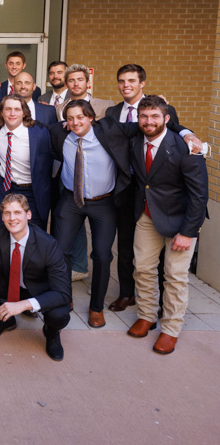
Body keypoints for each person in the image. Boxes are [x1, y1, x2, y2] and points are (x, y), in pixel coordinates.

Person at [127, 96, 208, 355]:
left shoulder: (187, 147)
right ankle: (147, 315)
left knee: (174, 276)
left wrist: (188, 232)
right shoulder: (134, 140)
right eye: (143, 116)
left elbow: (199, 194)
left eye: (154, 117)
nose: (148, 122)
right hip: (147, 216)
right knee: (142, 268)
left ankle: (170, 328)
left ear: (167, 119)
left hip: (179, 221)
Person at [105, 64, 180, 311]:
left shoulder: (160, 109)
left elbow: (177, 132)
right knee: (126, 246)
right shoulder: (112, 112)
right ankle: (127, 293)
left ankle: (155, 297)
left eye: (131, 81)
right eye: (121, 81)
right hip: (126, 191)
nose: (126, 85)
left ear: (142, 83)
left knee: (155, 249)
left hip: (156, 192)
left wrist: (189, 133)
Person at [48, 100, 130, 327]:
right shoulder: (59, 132)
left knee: (103, 255)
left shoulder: (110, 129)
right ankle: (65, 298)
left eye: (80, 117)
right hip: (71, 200)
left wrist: (185, 133)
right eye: (70, 118)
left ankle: (96, 307)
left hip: (103, 203)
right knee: (61, 251)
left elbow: (144, 126)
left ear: (91, 117)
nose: (75, 122)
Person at [0, 194, 71, 361]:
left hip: (39, 290)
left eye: (17, 212)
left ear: (28, 215)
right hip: (9, 283)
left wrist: (22, 305)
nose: (12, 218)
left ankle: (51, 333)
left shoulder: (48, 244)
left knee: (59, 315)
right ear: (2, 217)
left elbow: (63, 293)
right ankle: (4, 319)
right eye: (7, 213)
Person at [0, 95, 53, 229]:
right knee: (7, 229)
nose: (12, 113)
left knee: (34, 233)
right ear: (1, 112)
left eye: (17, 109)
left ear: (24, 113)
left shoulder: (39, 133)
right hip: (6, 188)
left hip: (32, 190)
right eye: (8, 109)